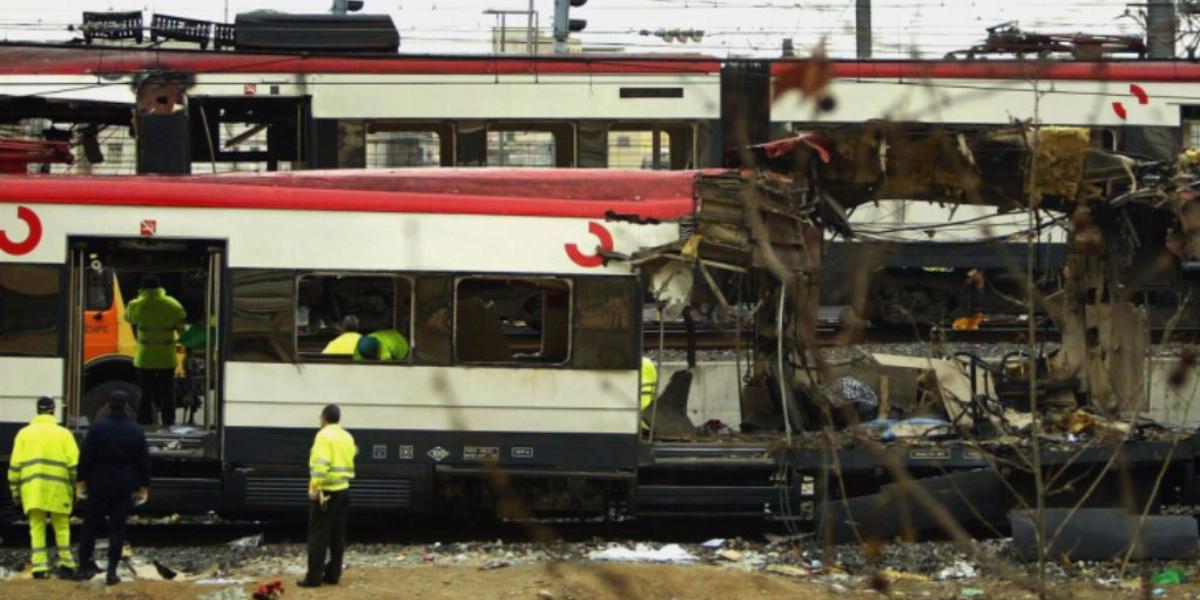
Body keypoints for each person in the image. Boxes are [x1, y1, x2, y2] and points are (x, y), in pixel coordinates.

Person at [76, 390, 150, 586]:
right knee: (117, 529)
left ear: (107, 404)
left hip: (99, 483)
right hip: (124, 485)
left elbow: (86, 457)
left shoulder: (97, 428)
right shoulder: (135, 430)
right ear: (126, 405)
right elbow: (143, 460)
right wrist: (144, 485)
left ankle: (83, 567)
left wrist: (81, 479)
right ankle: (111, 572)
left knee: (90, 526)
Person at [7, 396, 79, 579]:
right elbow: (74, 467)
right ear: (53, 411)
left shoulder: (24, 434)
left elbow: (15, 468)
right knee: (62, 527)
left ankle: (39, 566)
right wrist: (75, 488)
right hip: (58, 488)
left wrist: (16, 492)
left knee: (36, 527)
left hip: (33, 490)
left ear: (37, 410)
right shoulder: (64, 434)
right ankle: (66, 564)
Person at [298, 404, 357, 588]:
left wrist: (314, 488)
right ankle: (333, 574)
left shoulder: (323, 435)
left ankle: (314, 577)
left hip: (327, 492)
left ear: (324, 419)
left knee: (318, 534)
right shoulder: (347, 436)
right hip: (344, 491)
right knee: (337, 535)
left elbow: (321, 465)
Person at [125, 274, 186, 426]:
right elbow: (182, 330)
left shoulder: (136, 304)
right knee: (167, 391)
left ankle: (145, 422)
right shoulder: (173, 304)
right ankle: (168, 421)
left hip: (145, 357)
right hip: (166, 357)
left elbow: (128, 318)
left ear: (142, 288)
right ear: (160, 287)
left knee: (146, 392)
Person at [640, 356, 658, 432]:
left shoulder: (633, 363)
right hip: (648, 400)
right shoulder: (649, 362)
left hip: (637, 402)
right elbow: (655, 381)